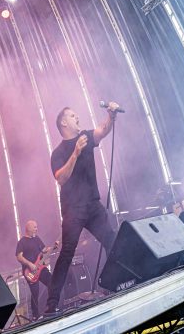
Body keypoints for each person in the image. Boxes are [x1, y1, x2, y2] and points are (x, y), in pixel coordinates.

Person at [44, 103, 120, 315]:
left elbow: (103, 130)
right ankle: (51, 304)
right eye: (72, 115)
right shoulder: (58, 153)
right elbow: (61, 178)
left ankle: (117, 282)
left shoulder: (86, 136)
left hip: (93, 205)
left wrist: (111, 115)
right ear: (63, 122)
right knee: (66, 253)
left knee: (112, 241)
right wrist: (75, 153)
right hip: (73, 210)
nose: (77, 117)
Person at [16, 220, 56, 320]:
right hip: (29, 271)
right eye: (35, 227)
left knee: (52, 282)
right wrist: (30, 264)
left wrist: (53, 247)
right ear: (28, 228)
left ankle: (52, 307)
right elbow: (19, 257)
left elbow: (44, 250)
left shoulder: (37, 238)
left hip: (41, 267)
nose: (37, 229)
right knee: (35, 293)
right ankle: (35, 316)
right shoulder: (22, 242)